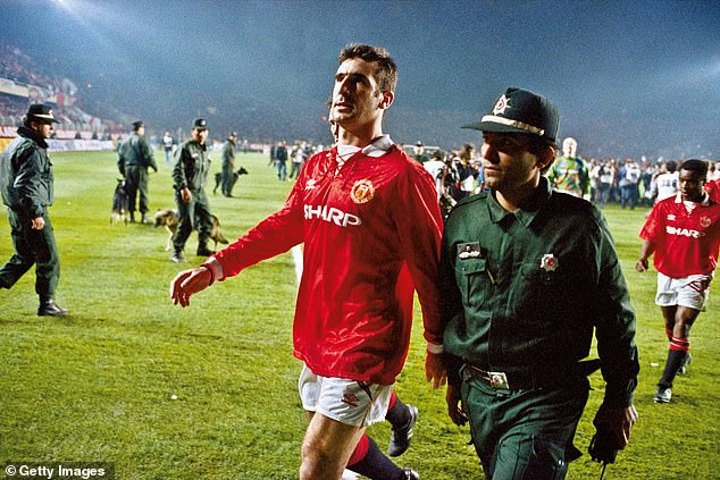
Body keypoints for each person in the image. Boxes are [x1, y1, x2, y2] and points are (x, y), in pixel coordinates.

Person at [170, 43, 446, 480]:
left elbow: (429, 268)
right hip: (317, 330)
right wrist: (215, 267)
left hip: (368, 340)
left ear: (384, 99)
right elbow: (283, 226)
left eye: (359, 81)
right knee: (339, 447)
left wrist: (437, 344)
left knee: (316, 460)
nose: (344, 88)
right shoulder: (318, 165)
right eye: (340, 78)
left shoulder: (404, 176)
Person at [439, 87, 639, 479]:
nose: (487, 154)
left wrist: (619, 398)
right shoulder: (464, 219)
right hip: (479, 394)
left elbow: (614, 317)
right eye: (487, 141)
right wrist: (454, 375)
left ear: (544, 158)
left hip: (545, 399)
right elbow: (451, 304)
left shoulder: (579, 225)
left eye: (506, 145)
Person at [636, 159, 720, 404]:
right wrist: (643, 257)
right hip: (668, 272)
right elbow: (652, 234)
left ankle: (664, 386)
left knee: (682, 324)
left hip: (698, 274)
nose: (684, 186)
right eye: (682, 181)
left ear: (703, 182)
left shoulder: (716, 211)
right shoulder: (665, 206)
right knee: (670, 322)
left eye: (691, 182)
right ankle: (682, 353)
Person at [0, 103, 68, 316]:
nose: (51, 128)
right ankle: (46, 303)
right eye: (47, 123)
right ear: (34, 124)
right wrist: (36, 213)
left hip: (15, 210)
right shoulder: (33, 148)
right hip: (29, 211)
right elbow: (25, 184)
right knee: (48, 256)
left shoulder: (15, 143)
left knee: (25, 256)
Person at [171, 118, 215, 263]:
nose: (201, 134)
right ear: (193, 132)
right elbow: (177, 169)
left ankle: (202, 247)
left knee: (207, 219)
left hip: (200, 191)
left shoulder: (205, 149)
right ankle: (177, 251)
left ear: (207, 132)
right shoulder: (186, 148)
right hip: (187, 190)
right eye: (198, 131)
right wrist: (183, 187)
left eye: (203, 131)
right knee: (187, 223)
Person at [117, 120, 158, 224]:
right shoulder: (141, 140)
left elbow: (120, 159)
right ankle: (144, 216)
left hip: (128, 169)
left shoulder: (125, 141)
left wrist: (123, 171)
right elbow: (148, 155)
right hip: (140, 169)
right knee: (143, 192)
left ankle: (131, 216)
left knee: (131, 193)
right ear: (140, 129)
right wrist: (154, 167)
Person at [221, 131, 237, 197]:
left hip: (230, 165)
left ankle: (228, 192)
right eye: (233, 136)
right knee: (226, 179)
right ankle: (224, 192)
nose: (234, 138)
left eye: (235, 137)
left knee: (230, 179)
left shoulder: (231, 144)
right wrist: (231, 162)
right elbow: (227, 155)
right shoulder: (227, 144)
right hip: (227, 164)